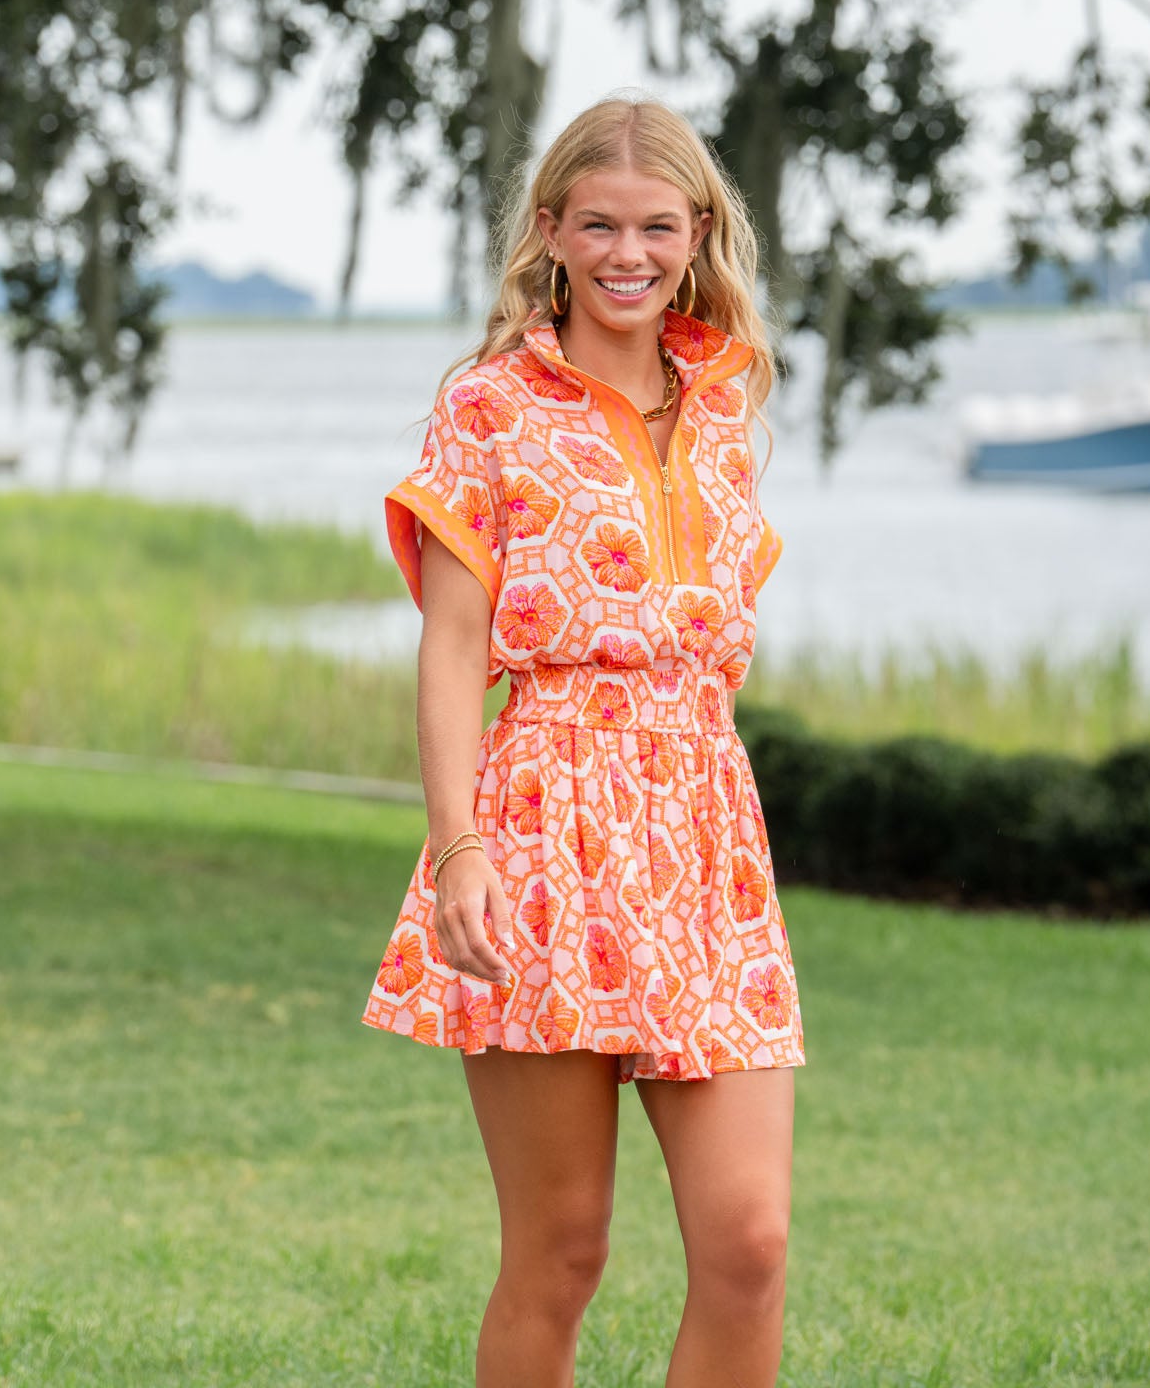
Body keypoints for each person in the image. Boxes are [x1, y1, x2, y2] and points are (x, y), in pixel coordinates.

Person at [362, 94, 804, 1388]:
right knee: (558, 1253)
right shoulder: (491, 410)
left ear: (698, 231)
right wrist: (457, 850)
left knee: (750, 1245)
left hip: (707, 837)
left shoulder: (726, 402)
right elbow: (453, 645)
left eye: (657, 226)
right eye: (597, 224)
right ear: (547, 232)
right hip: (544, 823)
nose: (628, 252)